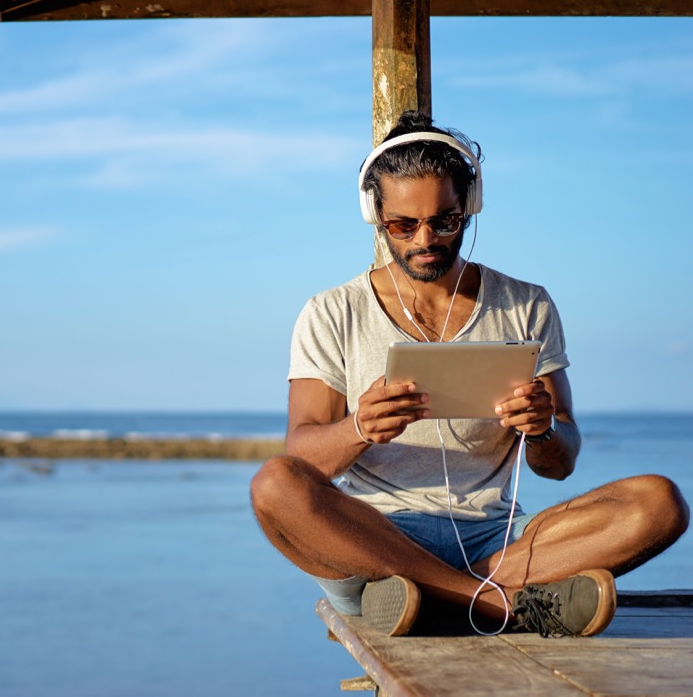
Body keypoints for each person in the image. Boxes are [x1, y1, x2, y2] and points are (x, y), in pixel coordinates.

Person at [250, 110, 689, 637]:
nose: (425, 239)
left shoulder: (526, 305)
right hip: (375, 538)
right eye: (403, 225)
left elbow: (561, 463)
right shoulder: (332, 312)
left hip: (497, 542)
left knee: (659, 503)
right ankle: (499, 607)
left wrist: (544, 428)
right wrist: (358, 429)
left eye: (445, 220)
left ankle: (434, 597)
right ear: (375, 213)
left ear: (470, 207)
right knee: (274, 485)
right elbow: (301, 457)